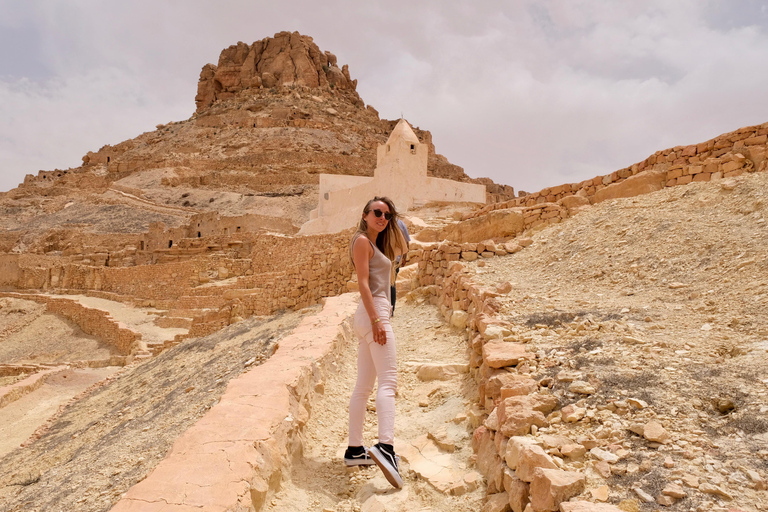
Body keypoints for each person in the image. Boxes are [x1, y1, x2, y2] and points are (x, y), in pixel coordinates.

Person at [345, 196, 409, 489]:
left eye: (388, 214)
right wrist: (375, 320)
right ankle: (386, 446)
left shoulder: (376, 244)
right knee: (389, 382)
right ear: (365, 214)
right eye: (378, 212)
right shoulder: (361, 242)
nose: (383, 217)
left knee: (363, 387)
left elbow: (400, 250)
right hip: (374, 312)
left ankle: (355, 450)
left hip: (370, 314)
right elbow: (362, 283)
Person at [390, 219, 411, 314]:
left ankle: (387, 310)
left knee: (387, 284)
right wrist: (404, 258)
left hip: (388, 259)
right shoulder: (401, 223)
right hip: (396, 259)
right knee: (392, 284)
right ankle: (392, 309)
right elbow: (406, 242)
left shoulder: (385, 222)